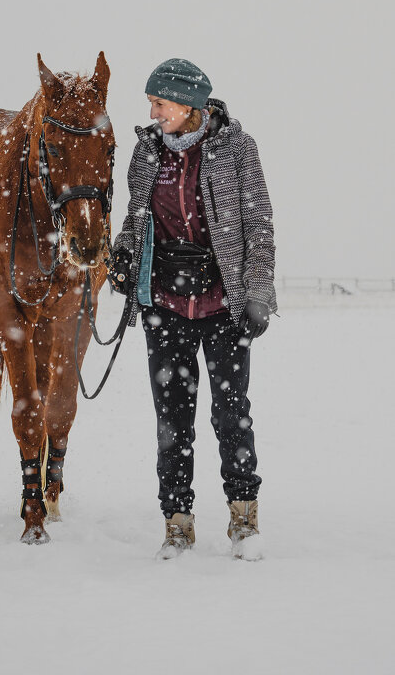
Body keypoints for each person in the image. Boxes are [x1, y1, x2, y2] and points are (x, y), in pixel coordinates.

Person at [110, 58, 276, 560]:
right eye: (151, 104)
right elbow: (136, 218)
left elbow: (259, 225)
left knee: (231, 414)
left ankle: (243, 519)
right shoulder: (147, 151)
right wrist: (124, 254)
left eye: (160, 103)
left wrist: (257, 293)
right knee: (172, 421)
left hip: (223, 305)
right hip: (164, 306)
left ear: (188, 104)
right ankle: (177, 523)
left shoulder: (237, 148)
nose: (153, 113)